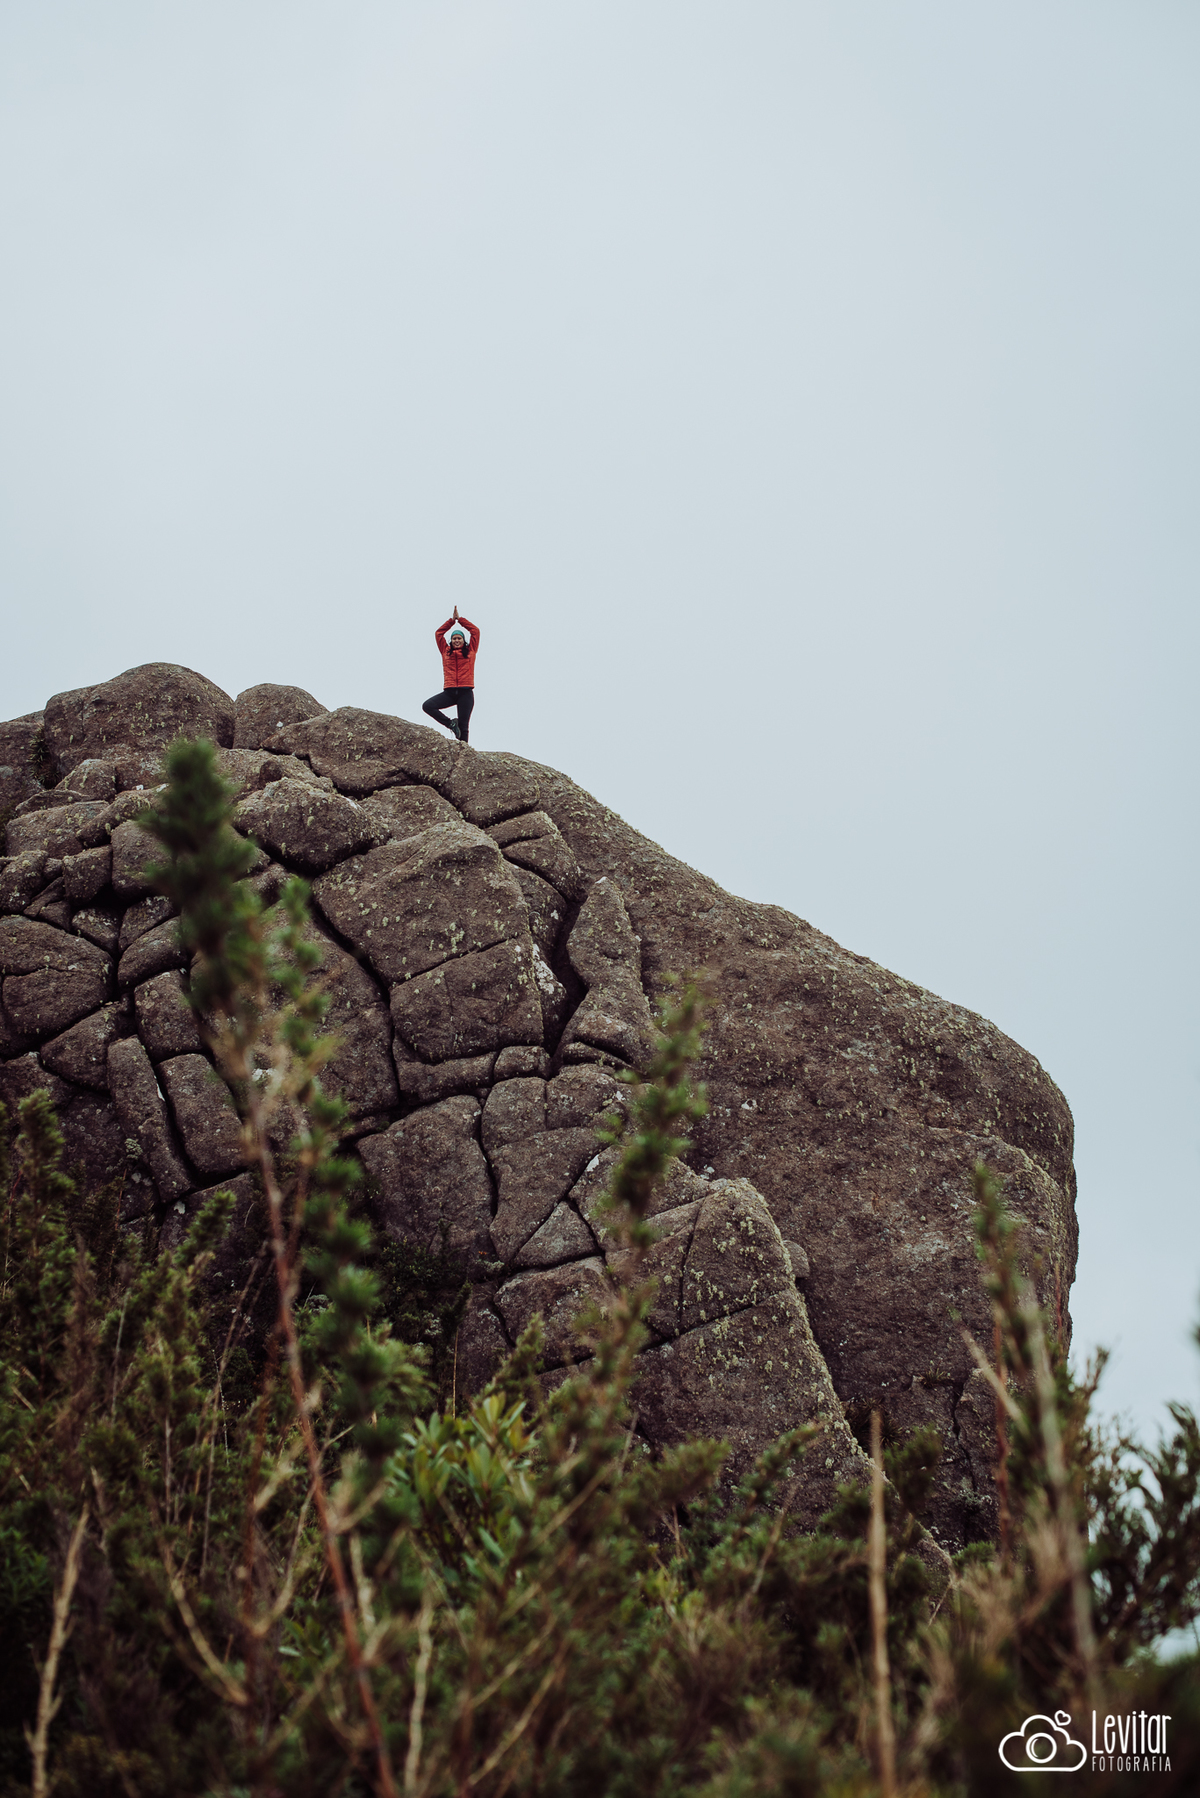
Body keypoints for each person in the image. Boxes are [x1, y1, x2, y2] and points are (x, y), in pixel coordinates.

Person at [422, 606, 480, 743]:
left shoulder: (471, 651)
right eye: (454, 638)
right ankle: (450, 724)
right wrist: (451, 621)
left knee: (464, 726)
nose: (457, 640)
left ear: (463, 640)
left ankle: (463, 754)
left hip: (465, 692)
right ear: (451, 641)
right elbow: (438, 634)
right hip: (450, 692)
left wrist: (460, 620)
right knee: (428, 706)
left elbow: (475, 631)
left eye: (459, 638)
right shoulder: (445, 651)